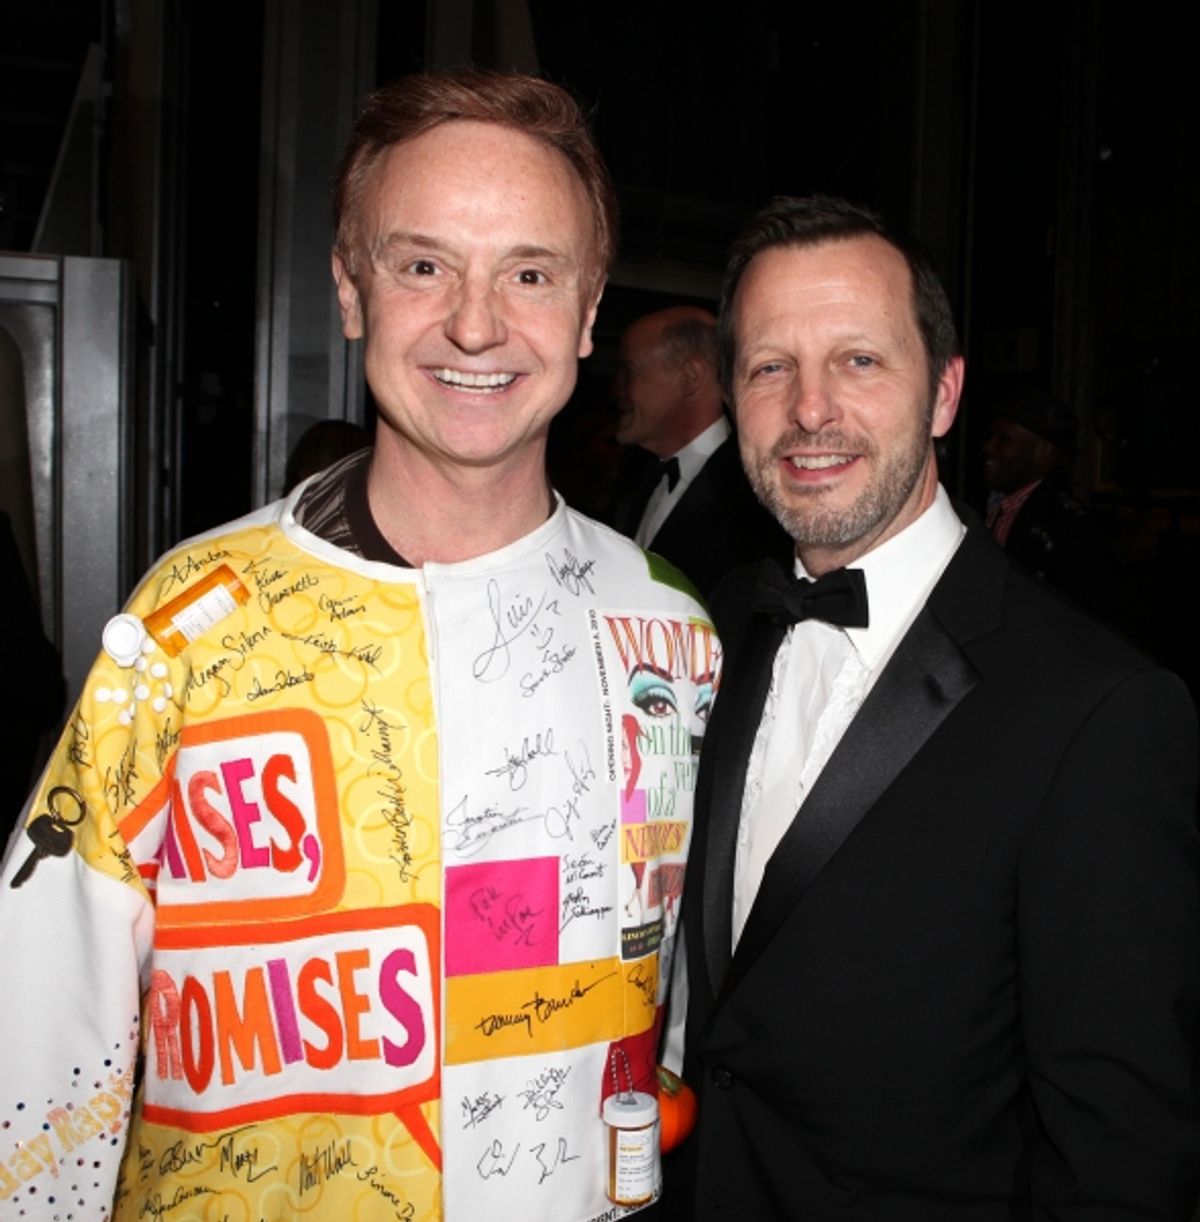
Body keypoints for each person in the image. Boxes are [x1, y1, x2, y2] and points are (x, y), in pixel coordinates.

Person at [0, 70, 719, 1222]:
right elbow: (47, 1012)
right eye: (422, 265)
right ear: (349, 290)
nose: (476, 323)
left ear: (588, 310)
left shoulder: (672, 632)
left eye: (529, 274)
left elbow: (673, 988)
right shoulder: (193, 621)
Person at [666, 194, 1200, 1219]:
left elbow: (1123, 1158)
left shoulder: (1099, 711)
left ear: (946, 393)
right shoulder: (719, 622)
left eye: (860, 361)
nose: (811, 409)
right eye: (771, 366)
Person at [612, 306, 789, 596]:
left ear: (691, 377)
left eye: (629, 372)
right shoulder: (637, 476)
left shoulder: (756, 494)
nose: (617, 389)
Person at [981, 380, 1107, 610]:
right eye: (992, 436)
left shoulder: (1069, 529)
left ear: (1043, 452)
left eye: (1005, 439)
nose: (988, 447)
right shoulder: (992, 505)